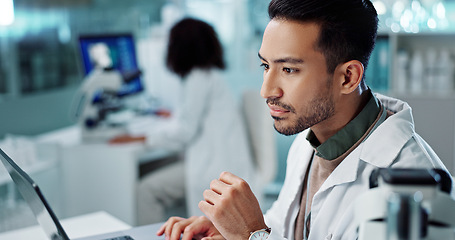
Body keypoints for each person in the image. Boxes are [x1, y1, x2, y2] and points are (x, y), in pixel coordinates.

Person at [156, 0, 454, 239]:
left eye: (289, 70)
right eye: (265, 65)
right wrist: (230, 232)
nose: (266, 91)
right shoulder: (310, 139)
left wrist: (250, 237)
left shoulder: (414, 196)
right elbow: (287, 228)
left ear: (348, 77)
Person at [111, 17, 255, 225]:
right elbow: (198, 117)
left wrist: (141, 137)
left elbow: (185, 132)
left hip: (213, 169)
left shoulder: (198, 77)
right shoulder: (212, 75)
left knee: (146, 190)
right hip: (224, 163)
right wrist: (172, 115)